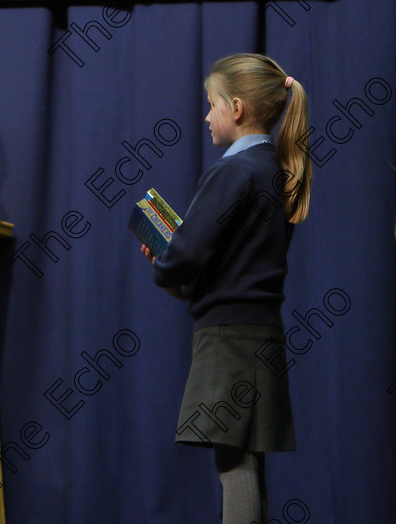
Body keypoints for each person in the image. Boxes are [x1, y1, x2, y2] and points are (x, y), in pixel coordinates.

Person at [140, 53, 311, 524]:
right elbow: (233, 265)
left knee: (232, 462)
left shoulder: (232, 172)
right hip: (259, 334)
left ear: (236, 108)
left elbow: (190, 254)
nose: (208, 116)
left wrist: (166, 260)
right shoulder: (275, 173)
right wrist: (179, 271)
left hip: (229, 339)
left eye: (212, 105)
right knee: (245, 459)